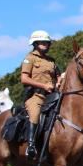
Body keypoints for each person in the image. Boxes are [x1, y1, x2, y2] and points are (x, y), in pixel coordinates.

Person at [21, 30, 59, 158]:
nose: (46, 45)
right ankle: (31, 146)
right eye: (43, 42)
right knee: (35, 114)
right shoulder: (29, 58)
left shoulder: (51, 61)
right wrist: (43, 86)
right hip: (35, 96)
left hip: (52, 96)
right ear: (35, 43)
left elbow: (58, 77)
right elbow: (24, 79)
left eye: (47, 43)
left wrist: (60, 82)